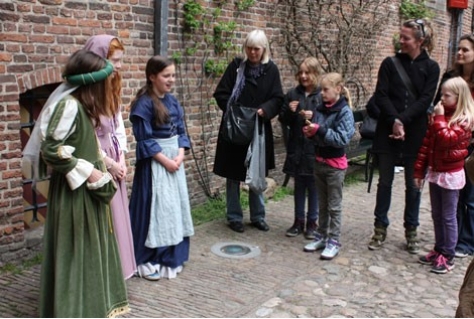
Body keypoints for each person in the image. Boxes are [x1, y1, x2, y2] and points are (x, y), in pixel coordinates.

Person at [23, 50, 129, 317]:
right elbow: (51, 149)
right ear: (92, 83)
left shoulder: (82, 107)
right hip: (74, 197)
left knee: (89, 252)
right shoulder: (68, 106)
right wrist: (89, 172)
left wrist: (102, 166)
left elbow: (84, 145)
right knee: (75, 252)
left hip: (87, 195)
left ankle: (90, 306)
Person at [367, 18, 440, 254]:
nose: (401, 41)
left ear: (420, 41)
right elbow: (381, 95)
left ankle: (411, 229)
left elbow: (425, 100)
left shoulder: (431, 68)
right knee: (385, 182)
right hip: (387, 130)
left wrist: (403, 120)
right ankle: (379, 227)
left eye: (406, 38)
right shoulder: (389, 63)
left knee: (413, 184)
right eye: (401, 36)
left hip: (415, 133)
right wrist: (394, 121)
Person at [129, 56, 194, 280]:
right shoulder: (143, 104)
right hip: (154, 167)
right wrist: (166, 161)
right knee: (153, 211)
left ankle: (170, 258)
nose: (171, 80)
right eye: (166, 76)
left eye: (173, 75)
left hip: (174, 162)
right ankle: (146, 260)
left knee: (173, 210)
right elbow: (144, 140)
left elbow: (181, 133)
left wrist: (179, 155)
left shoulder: (173, 102)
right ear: (152, 77)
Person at [213, 29, 284, 233]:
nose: (253, 53)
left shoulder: (271, 70)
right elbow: (221, 93)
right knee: (233, 174)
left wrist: (265, 110)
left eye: (257, 49)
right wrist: (235, 111)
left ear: (264, 49)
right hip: (235, 130)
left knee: (257, 172)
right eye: (249, 48)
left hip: (258, 129)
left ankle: (258, 216)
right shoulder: (236, 67)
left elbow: (278, 98)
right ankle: (234, 216)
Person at [83, 34, 137, 279]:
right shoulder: (85, 94)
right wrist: (110, 164)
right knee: (103, 221)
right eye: (115, 60)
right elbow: (86, 137)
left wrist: (122, 158)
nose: (120, 66)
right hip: (98, 160)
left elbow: (117, 125)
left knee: (118, 220)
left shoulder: (111, 85)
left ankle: (117, 273)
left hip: (114, 158)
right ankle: (101, 277)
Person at [414, 77, 474, 273]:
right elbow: (427, 144)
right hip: (436, 171)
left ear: (459, 97)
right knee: (437, 213)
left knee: (448, 216)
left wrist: (439, 119)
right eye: (441, 94)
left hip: (450, 174)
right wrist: (419, 170)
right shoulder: (440, 117)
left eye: (446, 95)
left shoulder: (463, 120)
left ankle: (448, 254)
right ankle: (439, 248)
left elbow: (446, 139)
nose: (441, 99)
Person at [302, 72, 355, 260]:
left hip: (335, 166)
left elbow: (341, 139)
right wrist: (310, 132)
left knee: (334, 206)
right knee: (322, 204)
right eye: (321, 90)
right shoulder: (320, 108)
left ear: (338, 89)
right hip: (319, 162)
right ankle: (321, 236)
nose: (322, 94)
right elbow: (319, 133)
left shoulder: (344, 112)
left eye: (325, 90)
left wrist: (320, 130)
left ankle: (334, 241)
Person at [433, 34, 474, 258]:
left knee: (470, 196)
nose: (460, 53)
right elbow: (438, 103)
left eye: (465, 50)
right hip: (450, 138)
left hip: (470, 140)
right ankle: (452, 240)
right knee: (453, 197)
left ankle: (467, 241)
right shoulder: (450, 76)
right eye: (458, 49)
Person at [279, 57, 323, 238]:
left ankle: (312, 222)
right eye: (301, 73)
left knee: (313, 185)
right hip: (297, 147)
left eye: (307, 72)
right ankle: (298, 221)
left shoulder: (321, 95)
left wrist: (315, 116)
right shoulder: (293, 94)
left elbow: (328, 119)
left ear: (315, 73)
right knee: (298, 186)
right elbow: (283, 119)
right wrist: (289, 111)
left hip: (314, 149)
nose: (303, 76)